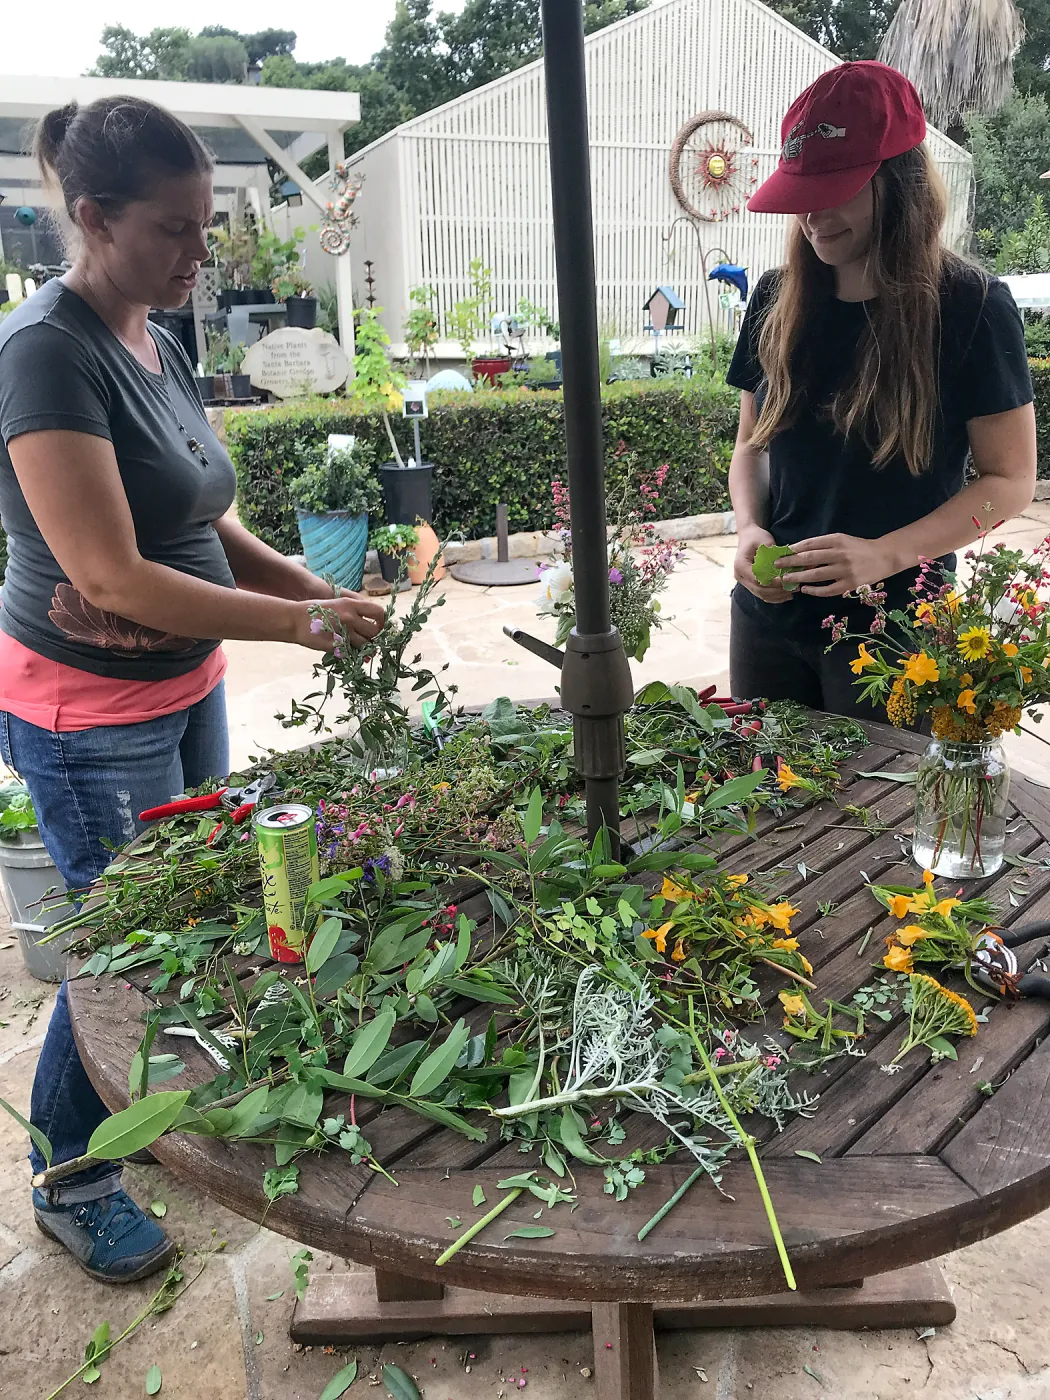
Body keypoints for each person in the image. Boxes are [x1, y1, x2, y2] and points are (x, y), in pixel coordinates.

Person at [0, 97, 386, 1283]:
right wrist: (292, 622)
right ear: (93, 217)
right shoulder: (45, 353)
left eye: (203, 224)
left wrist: (320, 593)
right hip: (87, 715)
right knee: (123, 945)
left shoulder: (155, 340)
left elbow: (207, 516)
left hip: (183, 682)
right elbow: (109, 570)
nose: (198, 252)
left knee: (191, 912)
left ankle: (135, 1114)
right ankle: (74, 1173)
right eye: (174, 229)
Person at [727, 61, 1037, 717]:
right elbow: (750, 448)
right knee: (760, 803)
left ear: (899, 182)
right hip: (768, 622)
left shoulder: (971, 307)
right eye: (802, 190)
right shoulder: (775, 299)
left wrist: (883, 555)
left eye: (833, 189)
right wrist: (749, 529)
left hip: (896, 634)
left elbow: (1010, 480)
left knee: (877, 814)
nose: (811, 215)